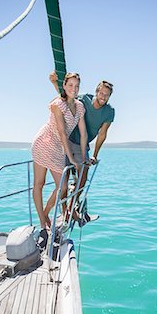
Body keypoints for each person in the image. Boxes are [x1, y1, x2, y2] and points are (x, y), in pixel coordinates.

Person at [50, 72, 115, 223]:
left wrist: (95, 155)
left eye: (107, 95)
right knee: (63, 183)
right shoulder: (83, 99)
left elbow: (102, 135)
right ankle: (65, 210)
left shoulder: (109, 111)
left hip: (83, 146)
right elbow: (65, 99)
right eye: (101, 93)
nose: (103, 97)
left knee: (83, 178)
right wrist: (55, 84)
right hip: (67, 141)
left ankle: (73, 206)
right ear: (97, 91)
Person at [31, 72, 87, 246]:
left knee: (62, 187)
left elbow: (83, 133)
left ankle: (46, 214)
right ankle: (42, 225)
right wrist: (71, 158)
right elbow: (62, 133)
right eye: (70, 85)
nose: (74, 89)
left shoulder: (79, 107)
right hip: (44, 143)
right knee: (39, 184)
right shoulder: (57, 104)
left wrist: (84, 157)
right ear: (64, 86)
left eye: (77, 86)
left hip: (57, 149)